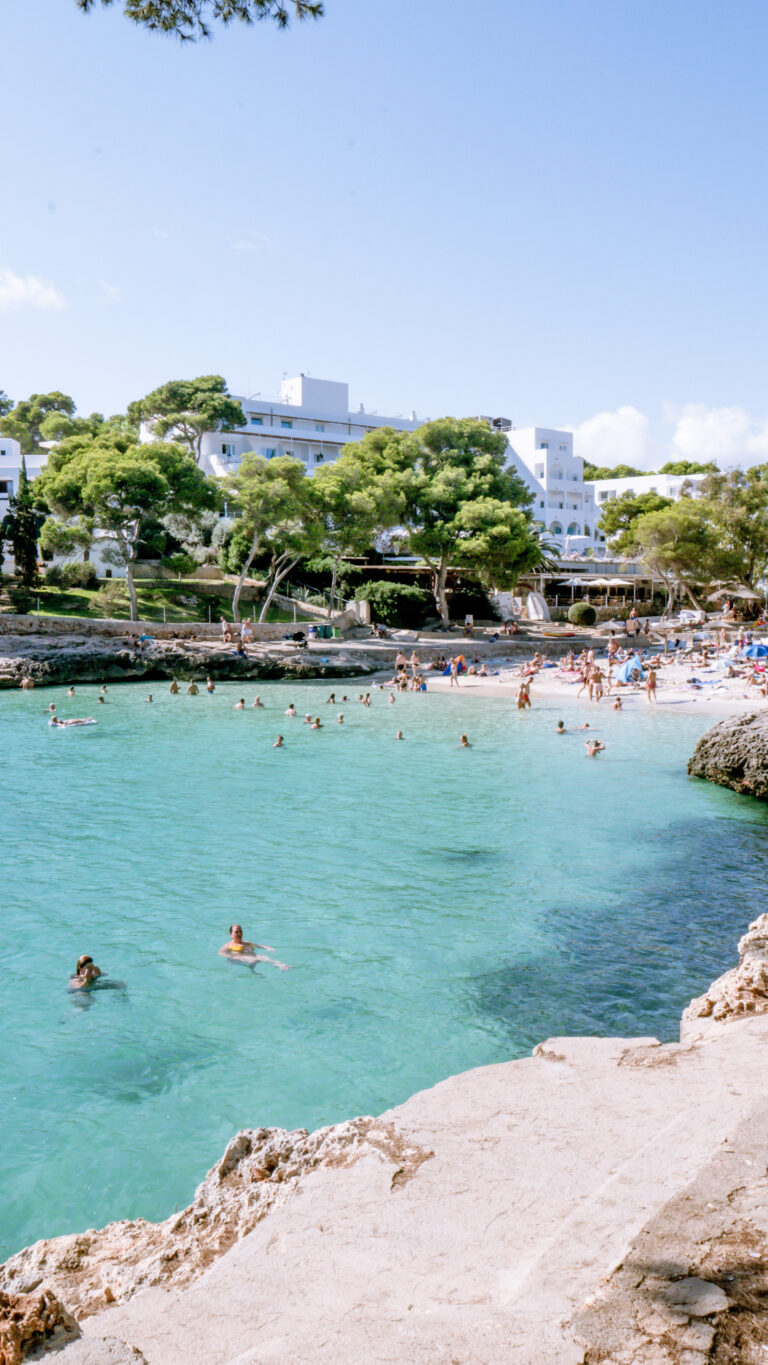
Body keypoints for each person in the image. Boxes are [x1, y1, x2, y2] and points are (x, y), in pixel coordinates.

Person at [219, 923, 289, 971]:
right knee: (257, 958)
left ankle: (282, 966)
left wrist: (267, 948)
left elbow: (257, 945)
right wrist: (233, 957)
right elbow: (221, 953)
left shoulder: (246, 942)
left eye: (240, 931)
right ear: (231, 934)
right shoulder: (228, 945)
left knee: (265, 957)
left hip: (252, 957)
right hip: (241, 960)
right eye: (236, 932)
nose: (239, 934)